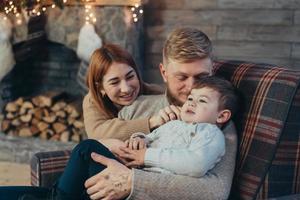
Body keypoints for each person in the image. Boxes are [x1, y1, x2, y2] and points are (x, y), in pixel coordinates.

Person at [84, 27, 238, 200]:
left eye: (201, 77)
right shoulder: (136, 107)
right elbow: (99, 146)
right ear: (164, 73)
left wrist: (133, 181)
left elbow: (214, 192)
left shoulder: (217, 123)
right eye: (181, 77)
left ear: (212, 72)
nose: (191, 88)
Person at [82, 43, 165, 141]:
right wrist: (151, 122)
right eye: (115, 82)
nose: (126, 89)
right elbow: (97, 133)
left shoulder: (154, 93)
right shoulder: (92, 100)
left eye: (130, 77)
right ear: (100, 87)